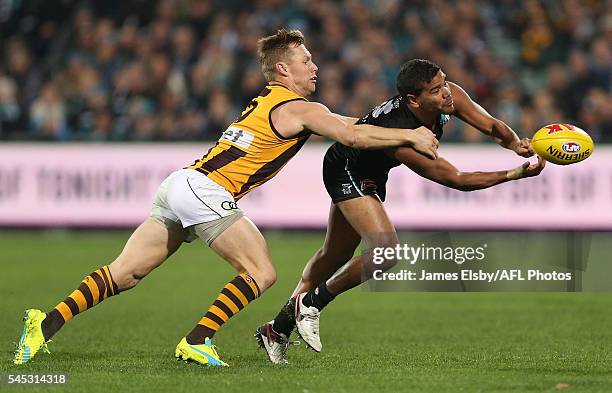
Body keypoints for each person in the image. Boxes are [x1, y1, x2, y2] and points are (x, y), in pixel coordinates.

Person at [13, 30, 439, 367]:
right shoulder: (298, 106)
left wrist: (392, 128)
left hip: (181, 182)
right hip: (206, 190)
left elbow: (354, 124)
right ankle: (197, 341)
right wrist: (410, 133)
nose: (315, 66)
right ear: (282, 69)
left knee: (123, 274)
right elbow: (350, 134)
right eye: (305, 60)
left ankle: (44, 323)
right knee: (262, 271)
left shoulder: (280, 104)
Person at [255, 59, 546, 364]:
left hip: (370, 172)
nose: (446, 93)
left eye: (445, 82)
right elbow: (456, 179)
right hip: (346, 168)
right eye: (436, 90)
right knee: (385, 252)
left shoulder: (450, 96)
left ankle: (277, 329)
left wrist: (515, 143)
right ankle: (312, 303)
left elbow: (490, 125)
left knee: (335, 257)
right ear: (413, 100)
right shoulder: (403, 133)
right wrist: (514, 175)